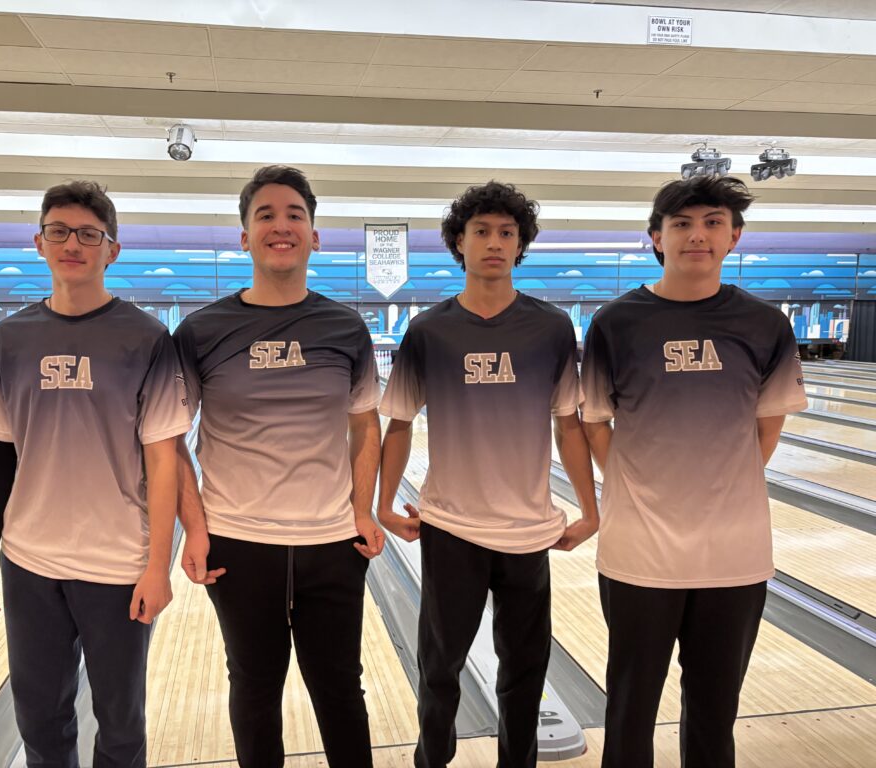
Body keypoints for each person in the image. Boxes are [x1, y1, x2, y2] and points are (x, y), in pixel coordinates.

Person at [580, 175, 808, 768]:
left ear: (734, 236)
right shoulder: (615, 323)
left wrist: (723, 484)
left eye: (711, 223)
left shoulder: (765, 325)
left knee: (715, 710)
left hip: (733, 552)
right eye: (681, 224)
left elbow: (767, 422)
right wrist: (635, 482)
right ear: (656, 237)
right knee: (630, 707)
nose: (696, 235)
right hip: (639, 551)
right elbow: (594, 423)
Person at [0, 181, 190, 767]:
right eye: (59, 231)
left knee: (120, 723)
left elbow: (165, 458)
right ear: (39, 242)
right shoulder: (8, 339)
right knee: (40, 718)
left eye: (90, 234)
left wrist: (157, 566)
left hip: (117, 563)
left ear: (112, 250)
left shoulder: (146, 339)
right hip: (30, 562)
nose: (73, 243)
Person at [378, 181, 599, 768]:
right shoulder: (428, 331)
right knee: (439, 665)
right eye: (482, 231)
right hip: (450, 525)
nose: (495, 242)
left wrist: (592, 507)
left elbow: (569, 424)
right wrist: (381, 503)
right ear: (459, 242)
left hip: (529, 528)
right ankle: (434, 759)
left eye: (507, 232)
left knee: (525, 668)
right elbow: (397, 423)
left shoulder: (551, 328)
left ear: (521, 243)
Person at [173, 165, 384, 768]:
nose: (280, 226)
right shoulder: (202, 330)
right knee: (255, 689)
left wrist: (361, 511)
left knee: (341, 688)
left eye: (294, 214)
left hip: (331, 542)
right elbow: (168, 438)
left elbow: (365, 423)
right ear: (244, 237)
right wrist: (196, 528)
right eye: (264, 215)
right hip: (240, 543)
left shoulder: (344, 327)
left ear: (315, 236)